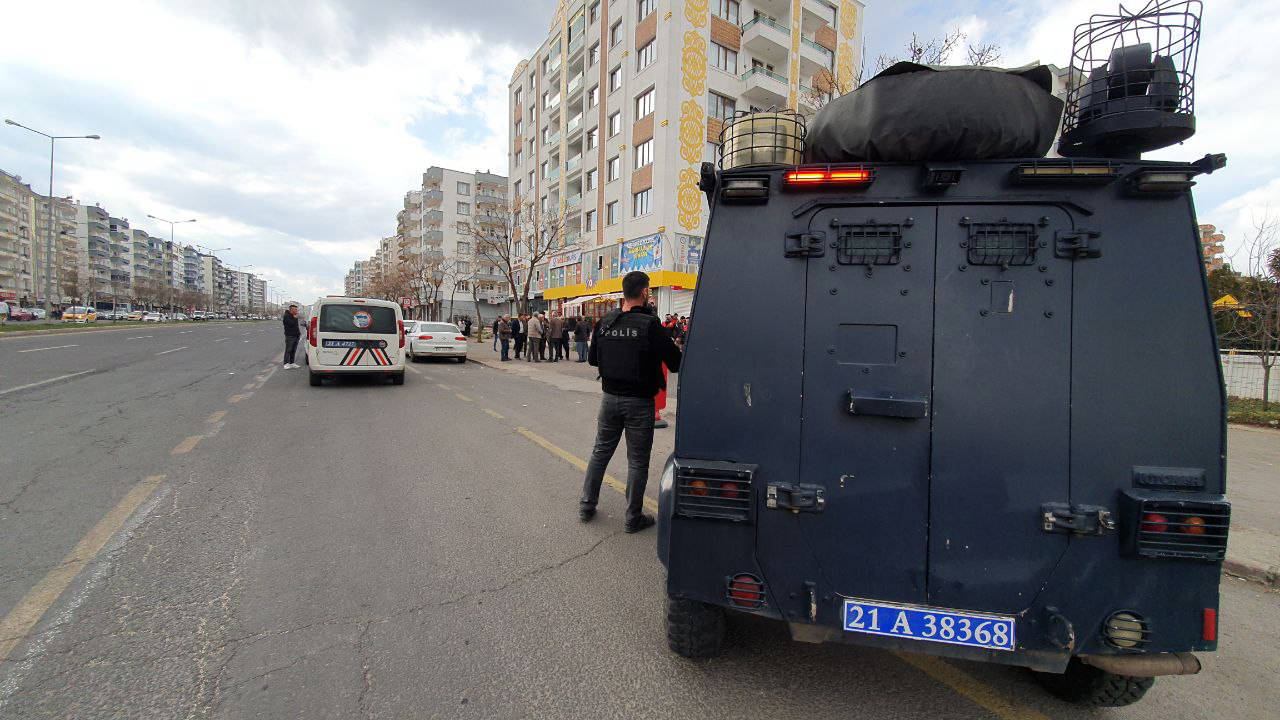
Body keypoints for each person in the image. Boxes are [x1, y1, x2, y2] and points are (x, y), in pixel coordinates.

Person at [580, 271, 682, 533]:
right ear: (645, 292)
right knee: (637, 461)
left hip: (609, 399)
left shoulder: (605, 322)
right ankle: (632, 518)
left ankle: (586, 505)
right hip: (639, 402)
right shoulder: (650, 324)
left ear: (624, 292)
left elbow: (592, 360)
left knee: (600, 452)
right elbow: (676, 362)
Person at [281, 303, 302, 369]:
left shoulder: (293, 316)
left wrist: (298, 334)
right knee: (288, 350)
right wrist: (295, 318)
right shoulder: (286, 316)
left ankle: (292, 363)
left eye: (296, 309)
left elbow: (296, 326)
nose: (297, 311)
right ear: (291, 310)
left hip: (296, 336)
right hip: (290, 336)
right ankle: (286, 363)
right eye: (295, 309)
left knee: (293, 350)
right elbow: (291, 324)